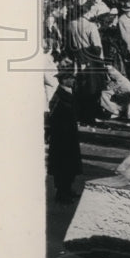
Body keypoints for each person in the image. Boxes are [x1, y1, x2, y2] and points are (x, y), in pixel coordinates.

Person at [47, 60, 83, 203]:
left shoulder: (67, 93)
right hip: (63, 138)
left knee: (69, 166)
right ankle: (62, 193)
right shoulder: (60, 97)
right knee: (63, 166)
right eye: (70, 78)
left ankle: (68, 189)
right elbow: (55, 118)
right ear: (64, 80)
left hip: (68, 136)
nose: (73, 80)